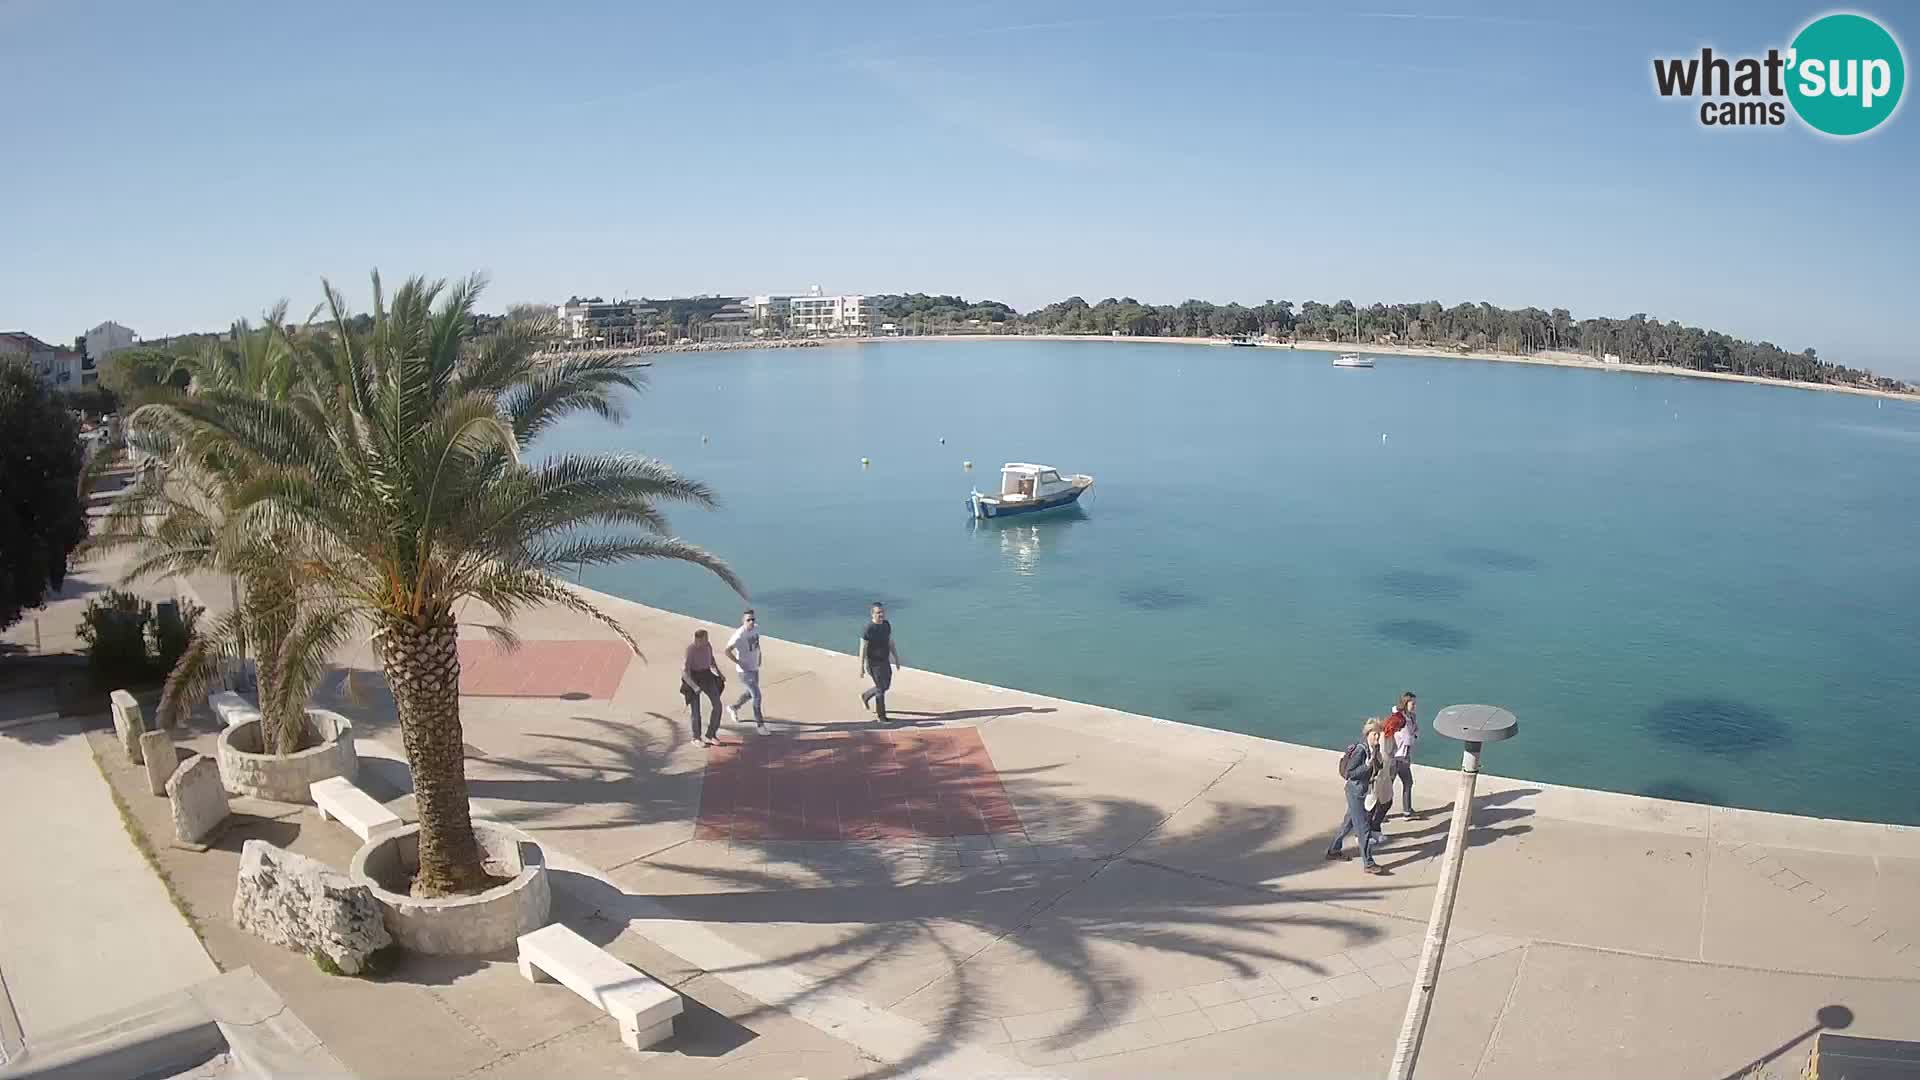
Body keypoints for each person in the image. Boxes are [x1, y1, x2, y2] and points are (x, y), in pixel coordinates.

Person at [1326, 718, 1387, 874]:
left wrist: (1377, 760)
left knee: (1348, 823)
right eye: (1374, 734)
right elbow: (1350, 773)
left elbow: (1377, 767)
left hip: (1362, 791)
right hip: (1355, 792)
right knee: (1363, 828)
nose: (1377, 737)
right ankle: (1369, 863)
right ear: (1367, 734)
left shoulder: (1375, 748)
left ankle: (1333, 850)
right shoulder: (1361, 750)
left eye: (1378, 734)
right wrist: (1366, 765)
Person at [724, 609, 768, 736]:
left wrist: (760, 656)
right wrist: (738, 662)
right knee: (757, 696)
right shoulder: (739, 635)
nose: (751, 622)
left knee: (750, 694)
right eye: (748, 620)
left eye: (753, 619)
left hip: (754, 667)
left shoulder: (756, 629)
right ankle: (760, 725)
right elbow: (727, 651)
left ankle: (734, 707)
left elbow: (757, 644)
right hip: (744, 671)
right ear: (743, 621)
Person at [857, 602, 902, 723]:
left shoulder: (886, 625)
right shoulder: (868, 629)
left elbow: (890, 642)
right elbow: (863, 648)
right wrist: (861, 667)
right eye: (878, 613)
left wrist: (896, 658)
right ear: (872, 614)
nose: (881, 615)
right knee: (881, 689)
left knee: (885, 685)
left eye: (882, 612)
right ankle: (881, 716)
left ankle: (866, 695)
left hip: (884, 661)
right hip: (873, 663)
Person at [681, 629, 726, 746]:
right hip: (693, 677)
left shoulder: (708, 646)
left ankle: (711, 735)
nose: (707, 641)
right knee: (696, 711)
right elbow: (684, 672)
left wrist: (719, 673)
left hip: (707, 675)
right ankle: (696, 737)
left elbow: (712, 660)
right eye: (705, 639)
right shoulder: (690, 650)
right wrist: (694, 686)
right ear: (698, 639)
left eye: (707, 639)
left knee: (718, 705)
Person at [1382, 691, 1418, 818]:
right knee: (1400, 784)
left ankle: (1406, 810)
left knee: (1401, 784)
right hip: (1399, 757)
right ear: (1405, 703)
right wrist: (1414, 736)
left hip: (1398, 757)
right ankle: (1381, 813)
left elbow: (1414, 731)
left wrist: (1413, 733)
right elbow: (1409, 739)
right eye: (1412, 703)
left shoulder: (1409, 717)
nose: (1414, 706)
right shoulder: (1402, 720)